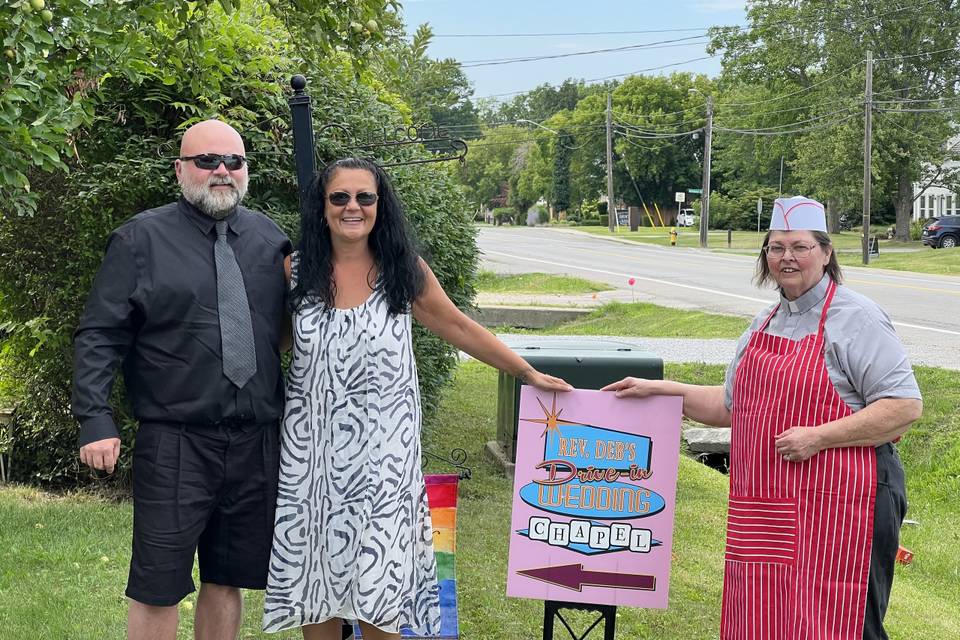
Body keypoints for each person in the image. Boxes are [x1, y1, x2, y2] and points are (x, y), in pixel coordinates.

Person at [262, 157, 571, 639]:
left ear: (379, 206)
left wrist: (525, 371)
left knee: (380, 591)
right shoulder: (294, 270)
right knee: (316, 587)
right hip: (313, 463)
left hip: (384, 462)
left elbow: (459, 326)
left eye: (365, 197)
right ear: (321, 207)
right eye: (339, 197)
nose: (352, 207)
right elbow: (273, 344)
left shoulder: (402, 270)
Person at [603, 196, 922, 640]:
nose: (786, 257)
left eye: (800, 246)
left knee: (838, 621)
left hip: (845, 503)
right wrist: (660, 390)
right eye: (776, 247)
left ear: (827, 253)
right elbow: (731, 408)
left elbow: (903, 407)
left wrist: (819, 438)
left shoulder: (857, 318)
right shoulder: (763, 323)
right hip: (766, 507)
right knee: (764, 616)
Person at [73, 119, 292, 640]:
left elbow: (282, 333)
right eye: (207, 161)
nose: (222, 171)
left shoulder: (271, 241)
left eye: (233, 161)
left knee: (228, 578)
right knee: (157, 585)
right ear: (179, 170)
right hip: (175, 442)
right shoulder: (138, 240)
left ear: (246, 170)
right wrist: (95, 419)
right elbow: (99, 334)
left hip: (255, 440)